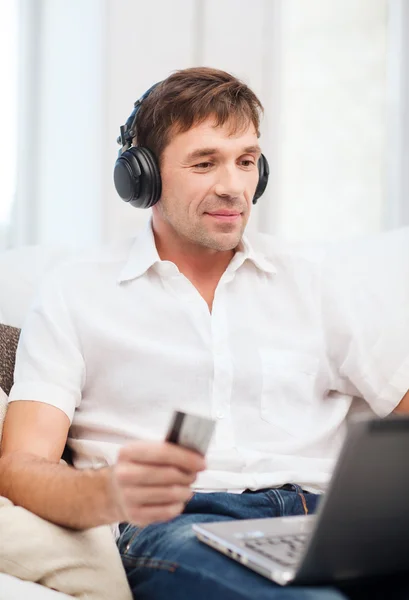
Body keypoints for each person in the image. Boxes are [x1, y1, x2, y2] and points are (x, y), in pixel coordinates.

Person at [1, 66, 409, 600]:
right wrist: (106, 493)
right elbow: (19, 467)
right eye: (204, 163)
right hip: (178, 526)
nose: (233, 186)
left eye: (245, 162)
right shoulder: (76, 292)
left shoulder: (317, 279)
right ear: (141, 176)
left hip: (326, 518)